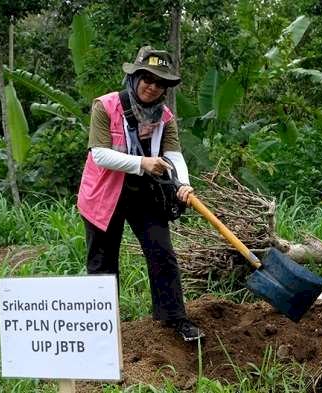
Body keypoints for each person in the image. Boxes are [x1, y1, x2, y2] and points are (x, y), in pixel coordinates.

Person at [77, 46, 203, 341]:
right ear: (135, 78)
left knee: (162, 253)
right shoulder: (106, 106)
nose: (152, 86)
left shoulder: (165, 116)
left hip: (144, 193)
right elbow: (99, 155)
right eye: (147, 78)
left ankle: (175, 319)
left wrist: (183, 183)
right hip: (103, 194)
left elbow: (174, 154)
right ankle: (101, 329)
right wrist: (142, 162)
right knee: (102, 261)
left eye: (160, 83)